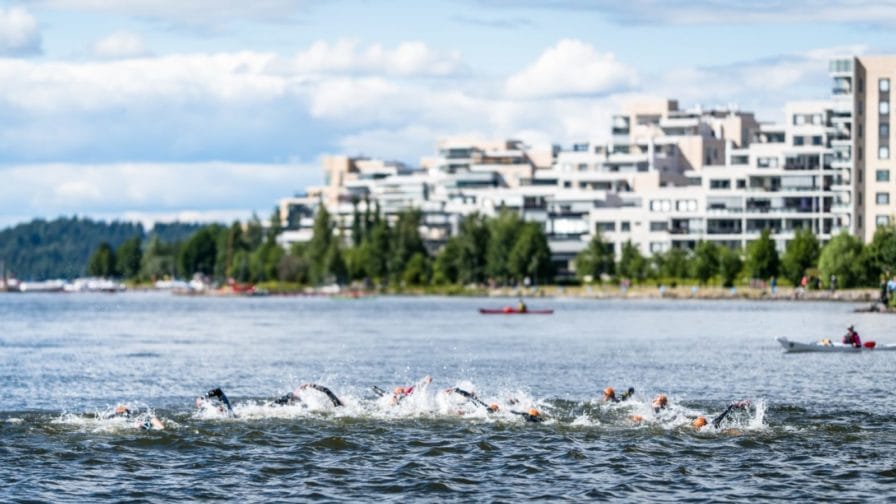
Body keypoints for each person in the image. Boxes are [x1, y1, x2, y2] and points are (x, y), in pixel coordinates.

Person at [274, 383, 343, 407]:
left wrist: (312, 385)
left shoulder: (338, 405)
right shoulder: (339, 406)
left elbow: (326, 390)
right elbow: (327, 391)